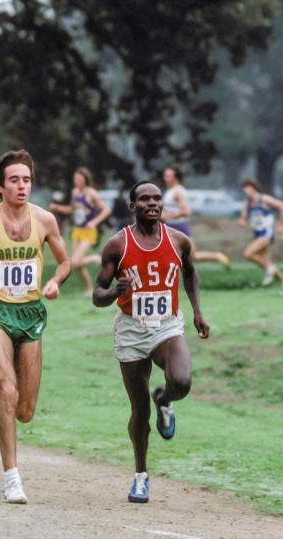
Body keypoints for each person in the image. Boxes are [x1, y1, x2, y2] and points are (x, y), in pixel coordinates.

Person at [0, 149, 71, 504]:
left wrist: (54, 282)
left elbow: (65, 262)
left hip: (31, 315)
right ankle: (12, 478)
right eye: (14, 180)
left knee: (25, 409)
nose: (22, 186)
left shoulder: (46, 220)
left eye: (27, 180)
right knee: (7, 390)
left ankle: (12, 455)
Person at [93, 181, 209, 503]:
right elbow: (97, 295)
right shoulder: (118, 245)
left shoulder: (179, 241)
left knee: (182, 381)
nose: (152, 203)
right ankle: (141, 475)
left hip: (166, 325)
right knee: (138, 409)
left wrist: (197, 311)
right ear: (133, 206)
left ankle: (166, 399)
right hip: (131, 330)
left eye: (157, 198)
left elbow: (191, 274)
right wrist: (116, 291)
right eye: (144, 199)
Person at [48, 167, 111, 296]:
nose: (76, 181)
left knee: (75, 261)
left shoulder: (91, 193)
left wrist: (94, 222)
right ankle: (89, 290)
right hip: (77, 231)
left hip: (88, 232)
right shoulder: (75, 192)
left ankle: (96, 258)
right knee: (77, 265)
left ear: (85, 180)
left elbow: (106, 210)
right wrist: (57, 207)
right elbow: (71, 209)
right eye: (75, 179)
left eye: (79, 179)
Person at [160, 167, 230, 270]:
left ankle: (218, 256)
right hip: (171, 227)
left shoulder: (178, 192)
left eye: (168, 176)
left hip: (179, 228)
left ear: (176, 177)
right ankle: (218, 256)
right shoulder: (170, 191)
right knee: (183, 256)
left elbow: (186, 211)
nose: (165, 178)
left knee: (192, 257)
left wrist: (167, 216)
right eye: (165, 176)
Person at [238, 179, 283, 290]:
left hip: (267, 232)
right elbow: (243, 218)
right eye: (244, 188)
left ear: (253, 188)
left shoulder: (264, 199)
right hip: (257, 233)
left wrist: (280, 225)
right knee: (266, 262)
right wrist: (242, 221)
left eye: (247, 188)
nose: (245, 191)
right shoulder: (247, 203)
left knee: (248, 254)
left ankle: (270, 270)